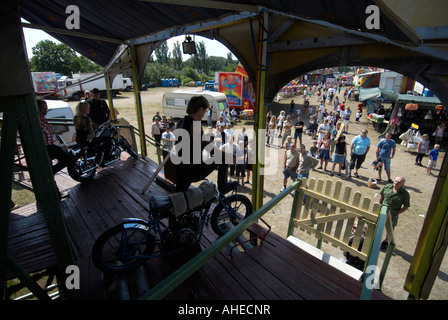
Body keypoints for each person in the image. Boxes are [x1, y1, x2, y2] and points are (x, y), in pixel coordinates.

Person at [174, 95, 235, 193]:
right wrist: (226, 155)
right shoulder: (195, 125)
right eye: (204, 111)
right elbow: (206, 145)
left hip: (180, 170)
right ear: (200, 109)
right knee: (222, 158)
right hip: (192, 171)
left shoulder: (180, 122)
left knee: (178, 197)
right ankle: (222, 187)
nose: (204, 114)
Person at [37, 100, 72, 198]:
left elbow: (46, 132)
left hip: (50, 145)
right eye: (43, 108)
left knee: (66, 159)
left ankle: (52, 172)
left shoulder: (43, 119)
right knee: (67, 159)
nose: (45, 110)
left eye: (46, 108)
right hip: (45, 147)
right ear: (38, 109)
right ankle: (56, 194)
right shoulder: (37, 121)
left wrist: (55, 133)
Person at [379, 177, 410, 250]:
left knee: (390, 227)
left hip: (393, 213)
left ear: (402, 184)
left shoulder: (404, 194)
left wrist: (397, 213)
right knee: (378, 224)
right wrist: (379, 204)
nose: (396, 183)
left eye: (398, 182)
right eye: (395, 181)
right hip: (382, 210)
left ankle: (386, 241)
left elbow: (406, 207)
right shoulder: (387, 187)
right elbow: (382, 196)